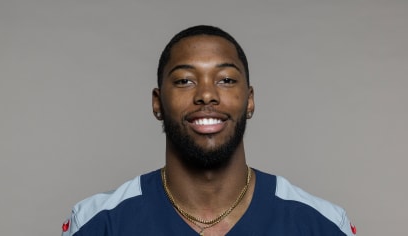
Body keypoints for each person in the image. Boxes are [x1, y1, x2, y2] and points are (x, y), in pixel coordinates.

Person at [61, 25, 357, 236]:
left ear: (250, 100)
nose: (206, 95)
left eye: (226, 80)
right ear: (157, 103)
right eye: (185, 81)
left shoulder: (321, 224)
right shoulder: (98, 222)